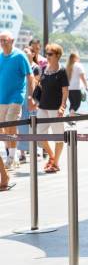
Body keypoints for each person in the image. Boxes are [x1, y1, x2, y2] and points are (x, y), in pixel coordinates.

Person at [0, 32, 35, 188]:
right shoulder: (0, 57)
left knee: (10, 124)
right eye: (0, 40)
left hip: (16, 97)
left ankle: (12, 157)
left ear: (12, 41)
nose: (2, 42)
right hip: (2, 98)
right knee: (3, 128)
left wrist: (30, 96)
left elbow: (30, 76)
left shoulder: (20, 56)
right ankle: (9, 155)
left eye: (5, 40)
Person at [37, 43, 69, 173]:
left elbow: (65, 91)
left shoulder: (61, 71)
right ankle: (52, 156)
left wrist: (62, 107)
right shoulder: (44, 68)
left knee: (58, 137)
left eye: (50, 54)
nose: (47, 56)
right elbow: (41, 86)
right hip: (43, 106)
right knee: (39, 135)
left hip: (55, 107)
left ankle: (55, 163)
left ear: (57, 55)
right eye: (47, 53)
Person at [17, 47, 40, 162]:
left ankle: (33, 149)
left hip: (32, 99)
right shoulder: (20, 67)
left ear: (33, 54)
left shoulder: (35, 68)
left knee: (33, 125)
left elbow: (37, 84)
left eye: (26, 52)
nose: (24, 54)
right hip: (21, 99)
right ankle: (22, 153)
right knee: (21, 126)